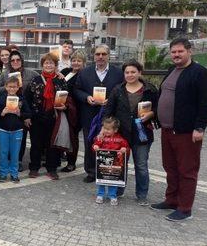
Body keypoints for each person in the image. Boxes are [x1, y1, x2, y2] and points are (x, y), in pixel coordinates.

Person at [151, 37, 207, 221]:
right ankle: (171, 200)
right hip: (168, 130)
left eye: (180, 51)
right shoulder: (172, 70)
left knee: (187, 170)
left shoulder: (200, 73)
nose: (176, 55)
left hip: (187, 132)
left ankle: (185, 208)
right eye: (173, 52)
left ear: (189, 51)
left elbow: (206, 103)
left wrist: (200, 127)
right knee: (170, 167)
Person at [103, 59, 158, 205]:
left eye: (133, 72)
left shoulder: (150, 90)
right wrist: (107, 129)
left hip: (142, 134)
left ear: (140, 72)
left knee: (141, 165)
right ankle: (118, 191)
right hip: (121, 135)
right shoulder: (117, 90)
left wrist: (151, 114)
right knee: (120, 164)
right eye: (127, 72)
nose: (130, 75)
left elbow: (158, 109)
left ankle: (141, 195)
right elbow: (108, 111)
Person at [74, 44, 123, 183]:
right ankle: (91, 171)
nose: (100, 57)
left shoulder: (118, 73)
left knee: (109, 142)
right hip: (89, 114)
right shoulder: (84, 72)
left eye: (103, 54)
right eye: (97, 54)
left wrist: (112, 100)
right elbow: (77, 90)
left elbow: (122, 91)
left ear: (108, 56)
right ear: (93, 56)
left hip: (109, 115)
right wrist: (86, 97)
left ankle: (107, 171)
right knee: (90, 142)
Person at [24, 53, 69, 180]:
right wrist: (27, 116)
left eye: (51, 63)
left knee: (52, 145)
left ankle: (52, 168)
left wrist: (65, 106)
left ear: (55, 65)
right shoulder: (36, 80)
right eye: (46, 63)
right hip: (37, 117)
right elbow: (27, 99)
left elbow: (67, 97)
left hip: (54, 117)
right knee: (36, 144)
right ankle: (34, 168)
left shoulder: (61, 80)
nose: (48, 65)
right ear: (42, 65)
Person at [0, 77, 31, 183]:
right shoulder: (1, 99)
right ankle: (3, 173)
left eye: (14, 87)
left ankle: (14, 173)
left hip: (17, 130)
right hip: (3, 130)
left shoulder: (21, 99)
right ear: (6, 87)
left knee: (15, 153)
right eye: (10, 87)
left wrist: (20, 114)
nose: (12, 89)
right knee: (3, 153)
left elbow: (29, 113)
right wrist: (1, 113)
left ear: (18, 87)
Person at [93, 117, 130, 205]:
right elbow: (95, 144)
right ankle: (100, 194)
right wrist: (95, 147)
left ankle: (112, 195)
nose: (105, 131)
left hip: (115, 164)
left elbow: (126, 147)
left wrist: (124, 149)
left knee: (113, 180)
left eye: (108, 129)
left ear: (115, 130)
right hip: (103, 163)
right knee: (102, 179)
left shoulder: (120, 139)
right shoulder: (101, 138)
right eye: (104, 128)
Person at [60, 50, 86, 172]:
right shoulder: (65, 71)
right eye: (74, 60)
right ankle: (59, 158)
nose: (75, 63)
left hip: (75, 110)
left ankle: (71, 162)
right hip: (61, 107)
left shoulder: (84, 75)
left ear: (83, 63)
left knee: (72, 136)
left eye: (79, 61)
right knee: (61, 133)